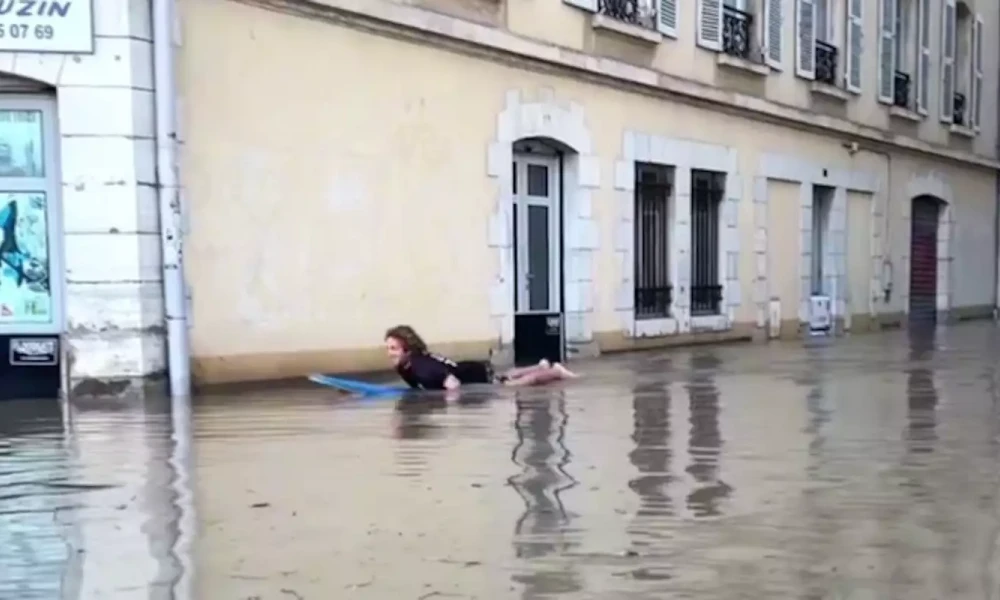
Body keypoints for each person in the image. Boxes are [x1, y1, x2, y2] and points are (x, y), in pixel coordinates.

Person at [384, 325, 578, 390]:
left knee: (514, 385)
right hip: (469, 368)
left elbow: (453, 385)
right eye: (388, 348)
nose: (389, 353)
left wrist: (448, 402)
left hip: (474, 375)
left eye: (394, 349)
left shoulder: (421, 367)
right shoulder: (408, 364)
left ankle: (555, 372)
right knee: (506, 376)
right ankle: (540, 365)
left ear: (407, 350)